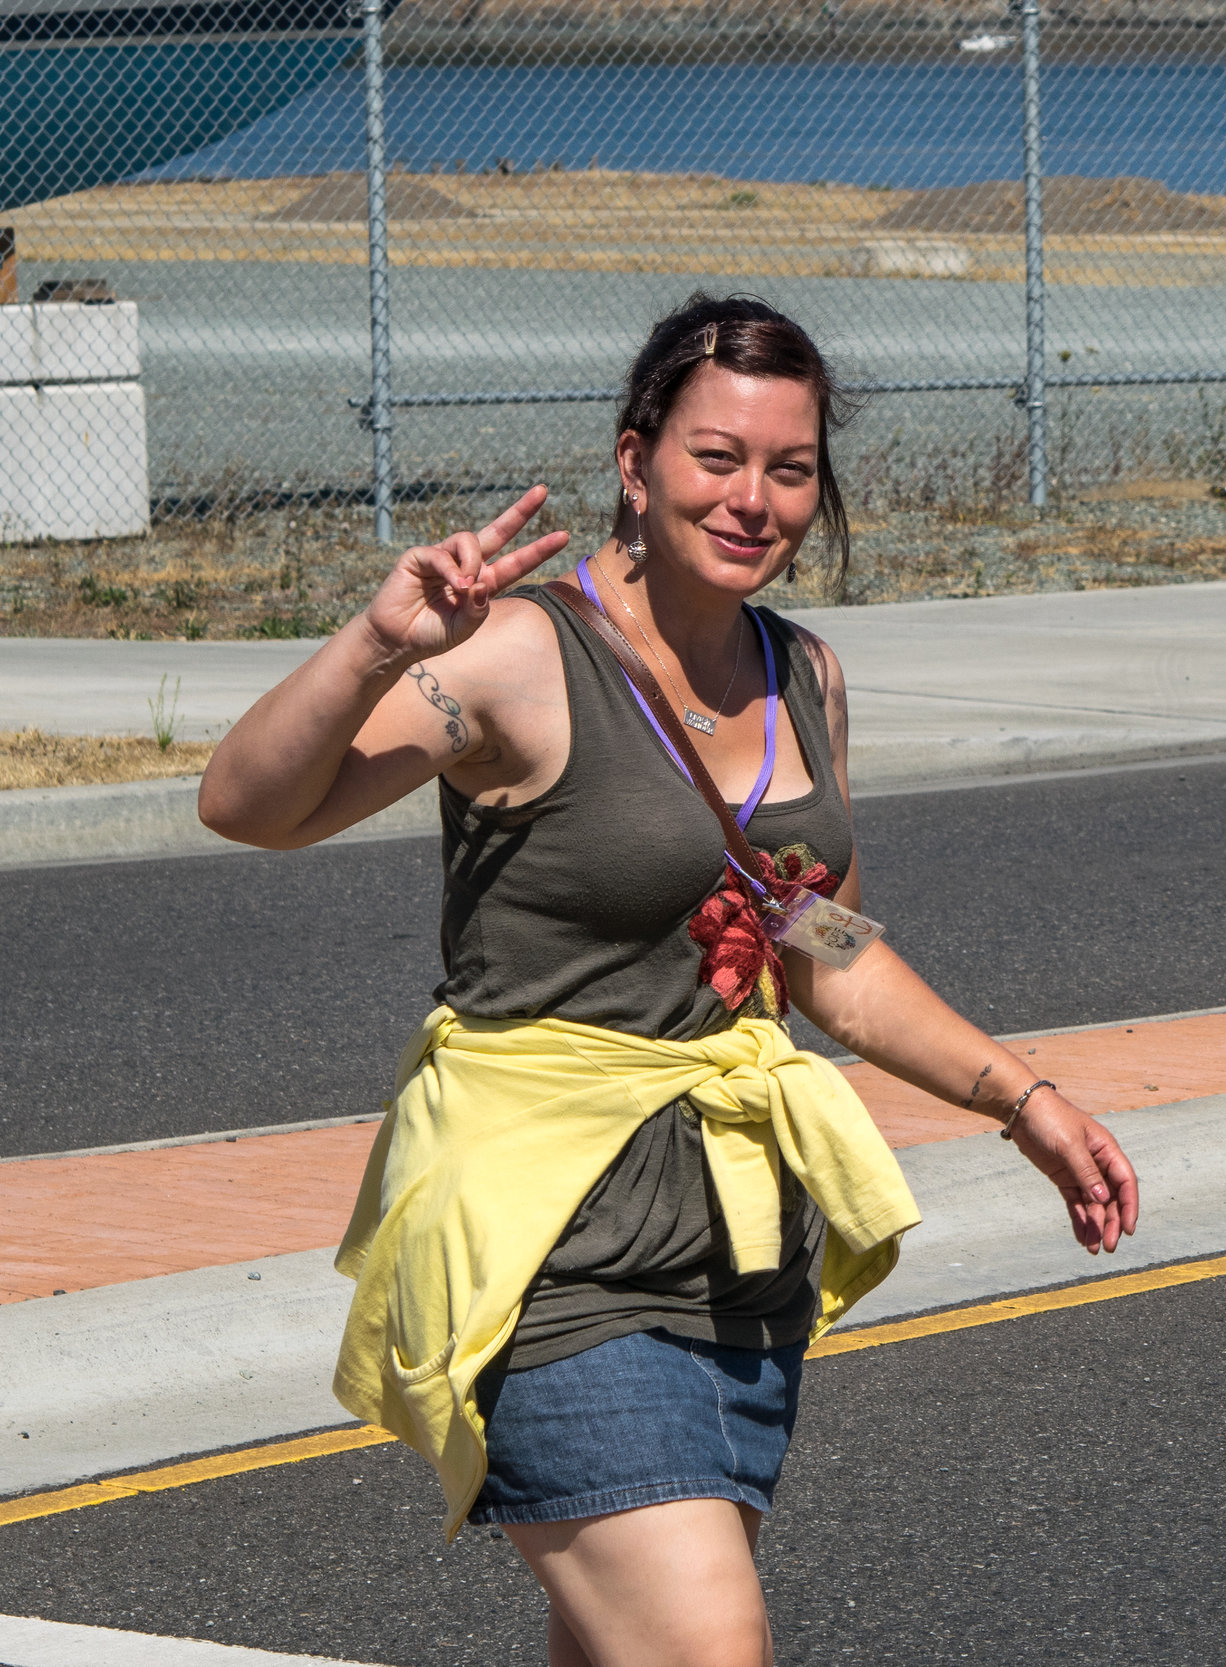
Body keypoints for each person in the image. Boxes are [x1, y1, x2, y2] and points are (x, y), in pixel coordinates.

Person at [201, 293, 1141, 1667]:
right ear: (634, 463)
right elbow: (250, 806)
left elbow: (826, 956)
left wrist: (1024, 1100)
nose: (752, 499)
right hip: (552, 1233)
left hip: (733, 1252)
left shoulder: (802, 672)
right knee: (707, 1651)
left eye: (789, 468)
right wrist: (378, 646)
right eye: (716, 458)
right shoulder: (521, 655)